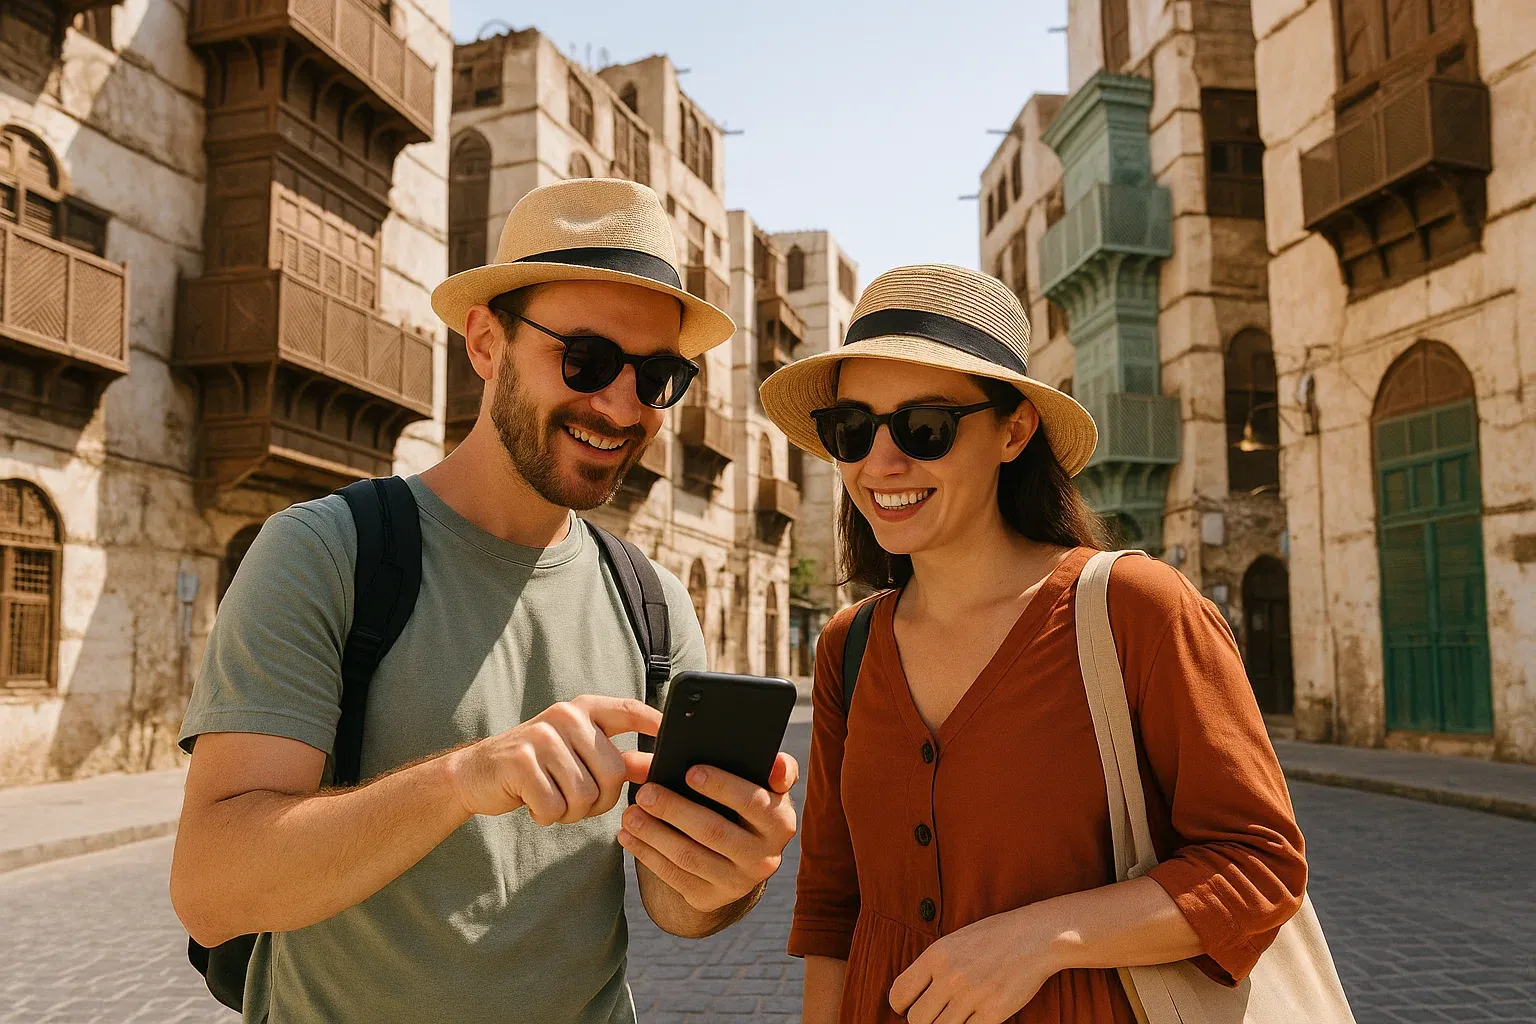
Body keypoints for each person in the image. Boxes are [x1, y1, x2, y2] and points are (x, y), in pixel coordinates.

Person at [170, 179, 799, 1023]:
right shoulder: (326, 553)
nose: (621, 405)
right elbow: (213, 890)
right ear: (485, 343)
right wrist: (464, 780)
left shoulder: (652, 604)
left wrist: (728, 869)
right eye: (585, 360)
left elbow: (679, 909)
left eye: (656, 376)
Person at [758, 264, 1307, 1024]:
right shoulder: (847, 648)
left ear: (1013, 431)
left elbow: (1259, 866)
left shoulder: (1136, 611)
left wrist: (1044, 937)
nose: (881, 463)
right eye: (852, 429)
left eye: (925, 428)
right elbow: (831, 901)